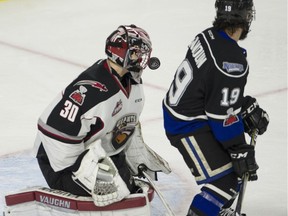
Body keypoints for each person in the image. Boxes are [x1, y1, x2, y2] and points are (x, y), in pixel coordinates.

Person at [33, 24, 171, 207]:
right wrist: (84, 173)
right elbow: (53, 129)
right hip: (60, 162)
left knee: (131, 191)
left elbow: (124, 123)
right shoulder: (91, 90)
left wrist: (132, 149)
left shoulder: (132, 81)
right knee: (115, 195)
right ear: (121, 53)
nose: (142, 58)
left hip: (97, 152)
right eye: (137, 52)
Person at [162, 1, 269, 216]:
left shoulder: (207, 35)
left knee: (231, 174)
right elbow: (222, 119)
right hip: (186, 125)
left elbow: (209, 85)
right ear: (246, 17)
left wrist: (240, 104)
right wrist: (238, 147)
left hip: (187, 111)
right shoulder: (232, 62)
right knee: (226, 181)